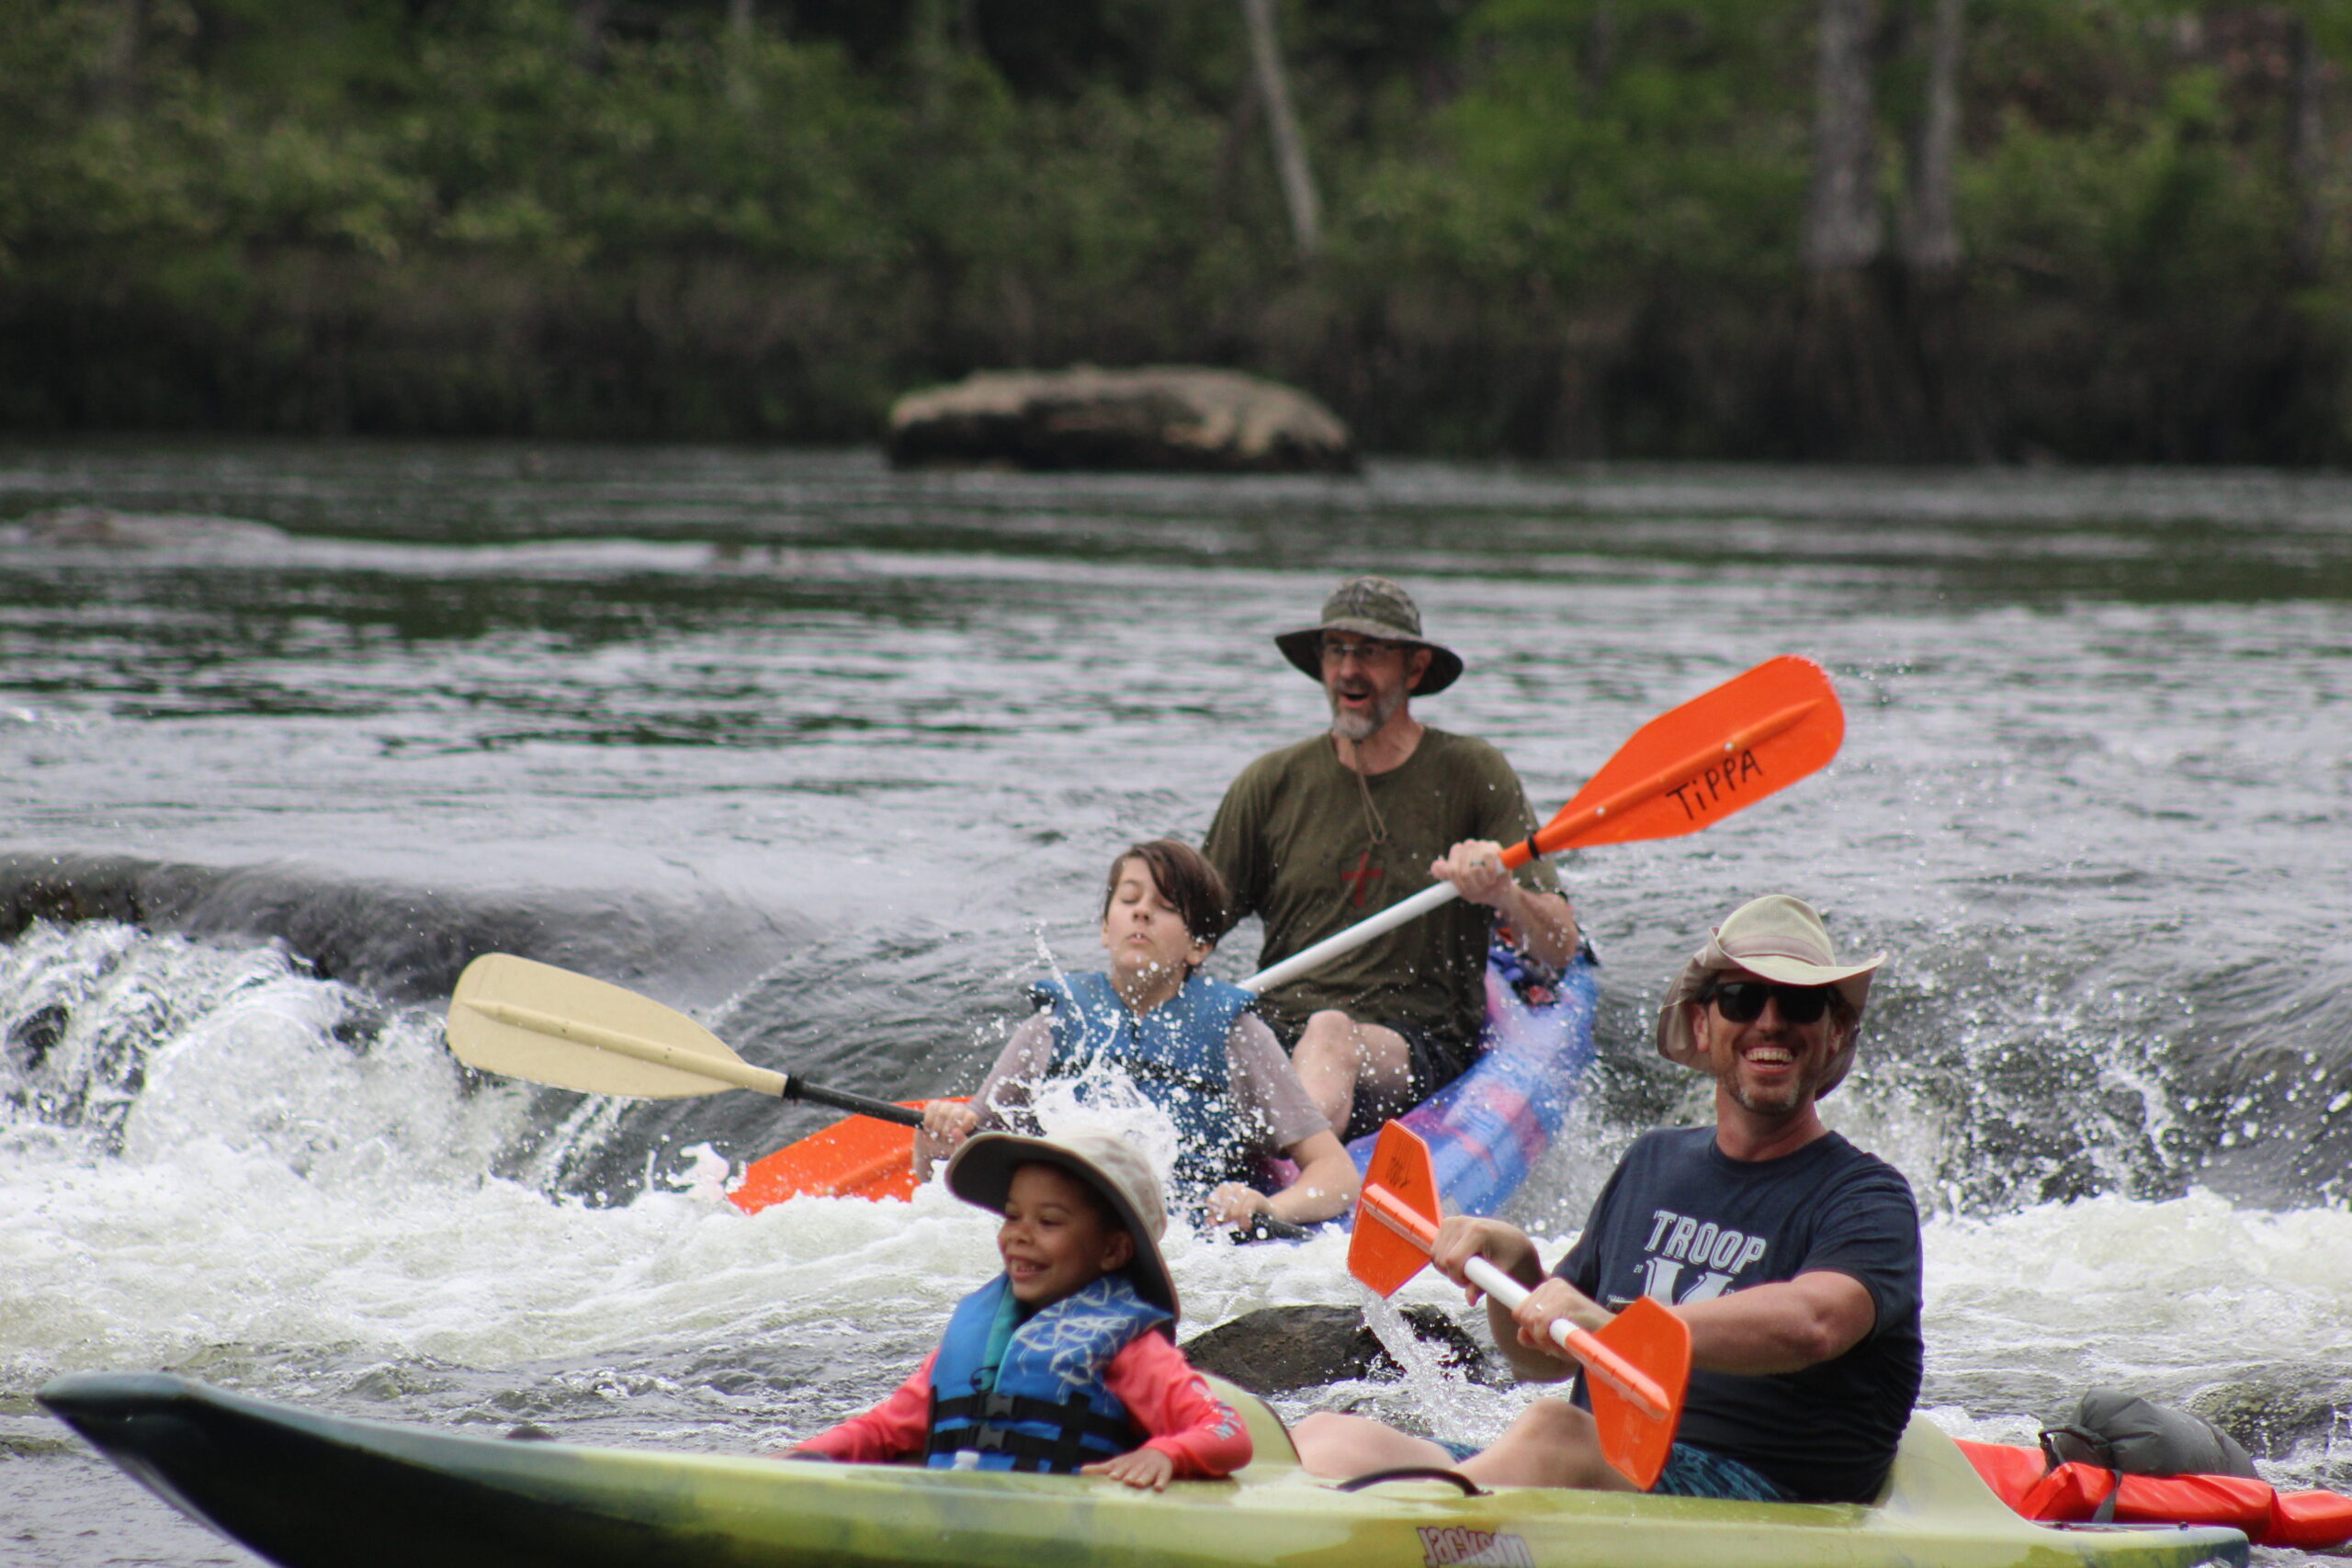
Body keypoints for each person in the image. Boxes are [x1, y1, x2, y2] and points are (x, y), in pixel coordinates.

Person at [1292, 895, 1922, 1506]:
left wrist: (1626, 1330)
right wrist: (1519, 1269)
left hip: (1766, 1495)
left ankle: (1406, 1534)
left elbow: (1815, 1322)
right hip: (1606, 1469)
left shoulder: (1867, 1197)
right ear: (1704, 1023)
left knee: (1553, 1433)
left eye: (1802, 1002)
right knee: (1333, 1438)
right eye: (1742, 997)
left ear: (1835, 1030)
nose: (1770, 1020)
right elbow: (1543, 1357)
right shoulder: (1654, 1160)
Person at [1202, 575, 1581, 1141]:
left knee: (1332, 1032)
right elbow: (1193, 932)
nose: (1349, 670)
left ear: (1415, 668)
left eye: (1371, 652)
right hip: (1279, 1026)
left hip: (1414, 1039)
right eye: (1337, 650)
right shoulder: (1270, 782)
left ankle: (1303, 1179)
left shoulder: (1474, 772)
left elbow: (1558, 948)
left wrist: (1504, 894)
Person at [916, 840, 1360, 1229]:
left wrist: (1270, 1208)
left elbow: (1335, 1173)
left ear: (1198, 946)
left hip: (1192, 1241)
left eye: (1166, 907)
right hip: (1065, 1226)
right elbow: (955, 1166)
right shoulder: (1049, 1027)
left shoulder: (1238, 1036)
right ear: (1106, 929)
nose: (1142, 911)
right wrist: (934, 1142)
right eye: (1129, 899)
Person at [782, 1129, 1253, 1487]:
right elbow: (886, 1427)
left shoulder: (1129, 1348)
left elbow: (1228, 1433)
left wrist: (1168, 1454)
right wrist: (806, 1456)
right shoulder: (978, 1337)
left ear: (1113, 1251)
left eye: (1048, 1221)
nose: (1018, 1235)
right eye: (1012, 1215)